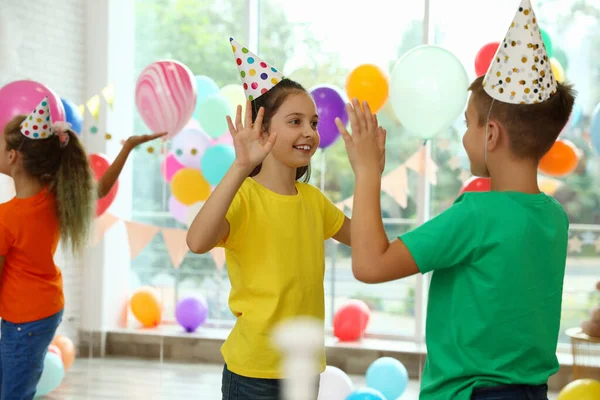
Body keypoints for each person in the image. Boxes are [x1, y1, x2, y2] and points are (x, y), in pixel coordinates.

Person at [336, 1, 576, 399]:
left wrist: (367, 172)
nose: (465, 135)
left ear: (492, 134)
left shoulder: (477, 214)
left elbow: (369, 264)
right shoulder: (555, 218)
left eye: (468, 123)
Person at [187, 38, 369, 400]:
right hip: (253, 372)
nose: (309, 132)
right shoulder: (244, 197)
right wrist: (240, 167)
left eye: (313, 122)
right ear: (263, 131)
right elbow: (197, 241)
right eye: (295, 121)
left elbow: (366, 239)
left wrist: (366, 172)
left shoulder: (315, 202)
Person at [0, 97, 164, 400]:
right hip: (45, 309)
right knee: (16, 386)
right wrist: (126, 148)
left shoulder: (7, 217)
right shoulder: (56, 196)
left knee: (13, 393)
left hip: (24, 319)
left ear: (12, 156)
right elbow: (98, 191)